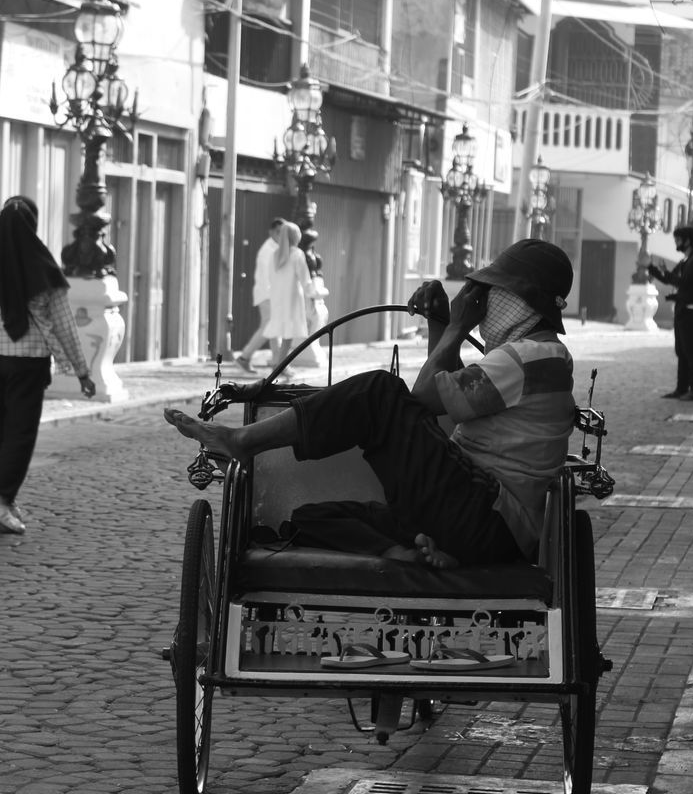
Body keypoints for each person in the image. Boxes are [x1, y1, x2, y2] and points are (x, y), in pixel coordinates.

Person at [164, 239, 576, 570]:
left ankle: (242, 441)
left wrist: (454, 326)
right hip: (472, 520)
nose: (484, 303)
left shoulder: (530, 357)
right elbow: (436, 404)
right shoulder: (530, 360)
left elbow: (418, 400)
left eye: (494, 293)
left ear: (525, 301)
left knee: (380, 393)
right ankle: (408, 554)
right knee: (307, 519)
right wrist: (440, 324)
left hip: (489, 515)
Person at [0, 196, 96, 535]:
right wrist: (83, 372)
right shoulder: (42, 265)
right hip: (28, 363)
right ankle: (2, 503)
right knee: (19, 434)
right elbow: (64, 324)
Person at [648, 223, 693, 401]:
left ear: (688, 241)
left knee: (691, 352)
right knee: (681, 351)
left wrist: (668, 273)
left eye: (679, 239)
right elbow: (669, 279)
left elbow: (684, 283)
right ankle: (681, 389)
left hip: (691, 311)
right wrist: (651, 268)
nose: (676, 242)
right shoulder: (685, 261)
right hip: (682, 310)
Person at [236, 218, 284, 374]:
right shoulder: (269, 250)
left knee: (273, 328)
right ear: (271, 232)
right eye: (278, 232)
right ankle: (245, 357)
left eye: (282, 232)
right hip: (267, 294)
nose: (281, 235)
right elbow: (270, 276)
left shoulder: (274, 248)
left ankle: (279, 364)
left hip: (269, 294)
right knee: (269, 328)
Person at [265, 220, 312, 367]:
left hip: (277, 297)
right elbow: (305, 280)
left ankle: (279, 364)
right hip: (292, 299)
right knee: (288, 335)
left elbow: (270, 277)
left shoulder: (274, 255)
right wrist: (313, 293)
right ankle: (280, 366)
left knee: (281, 331)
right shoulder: (297, 254)